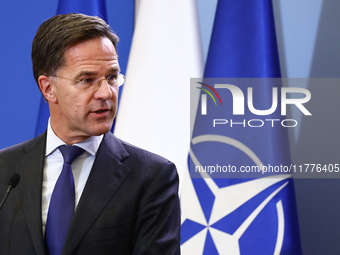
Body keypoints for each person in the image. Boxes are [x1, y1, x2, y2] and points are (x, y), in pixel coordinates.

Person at [0, 13, 180, 255]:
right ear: (48, 88)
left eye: (112, 77)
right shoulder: (5, 171)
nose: (106, 93)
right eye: (87, 80)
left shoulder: (152, 177)